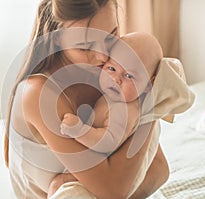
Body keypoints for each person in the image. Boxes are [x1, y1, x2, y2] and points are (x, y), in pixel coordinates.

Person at [3, 0, 176, 198]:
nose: (103, 57)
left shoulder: (110, 73)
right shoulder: (39, 93)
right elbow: (113, 191)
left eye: (111, 36)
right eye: (85, 47)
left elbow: (159, 171)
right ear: (57, 39)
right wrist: (152, 102)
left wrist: (146, 96)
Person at [47, 33, 195, 198]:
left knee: (61, 187)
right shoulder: (113, 98)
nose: (116, 79)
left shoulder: (125, 109)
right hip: (100, 169)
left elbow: (108, 142)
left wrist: (79, 130)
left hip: (108, 175)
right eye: (111, 68)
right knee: (57, 185)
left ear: (149, 84)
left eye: (129, 76)